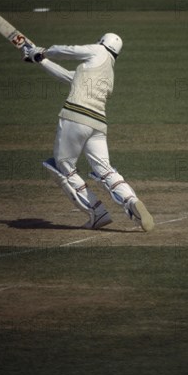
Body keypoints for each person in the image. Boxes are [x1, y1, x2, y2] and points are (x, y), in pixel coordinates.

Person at [22, 34, 154, 232]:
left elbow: (70, 50)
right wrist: (41, 60)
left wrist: (44, 51)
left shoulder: (98, 50)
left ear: (103, 42)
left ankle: (97, 212)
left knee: (63, 167)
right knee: (105, 170)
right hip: (98, 123)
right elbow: (67, 76)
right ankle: (131, 200)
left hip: (76, 116)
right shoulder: (108, 72)